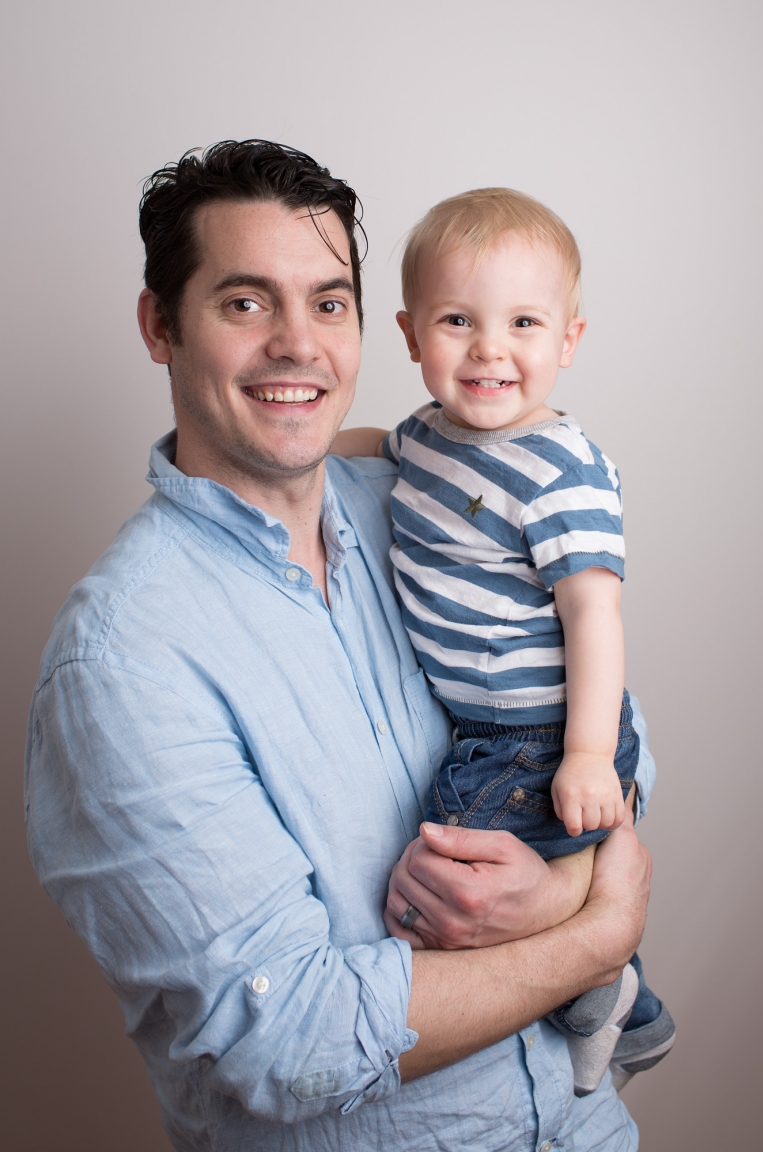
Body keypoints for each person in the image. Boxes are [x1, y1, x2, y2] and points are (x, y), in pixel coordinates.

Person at [25, 140, 651, 1152]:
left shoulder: (423, 497)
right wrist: (597, 933)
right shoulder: (123, 662)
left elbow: (623, 739)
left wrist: (555, 888)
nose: (298, 345)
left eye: (326, 302)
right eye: (244, 302)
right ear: (159, 325)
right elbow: (286, 1042)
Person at [332, 188, 675, 1095]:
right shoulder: (431, 436)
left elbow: (593, 617)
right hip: (481, 730)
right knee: (464, 888)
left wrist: (590, 756)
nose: (490, 348)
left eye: (524, 322)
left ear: (568, 340)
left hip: (544, 733)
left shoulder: (563, 470)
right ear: (411, 337)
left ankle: (607, 991)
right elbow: (380, 445)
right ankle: (624, 1004)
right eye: (458, 320)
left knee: (440, 894)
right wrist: (318, 447)